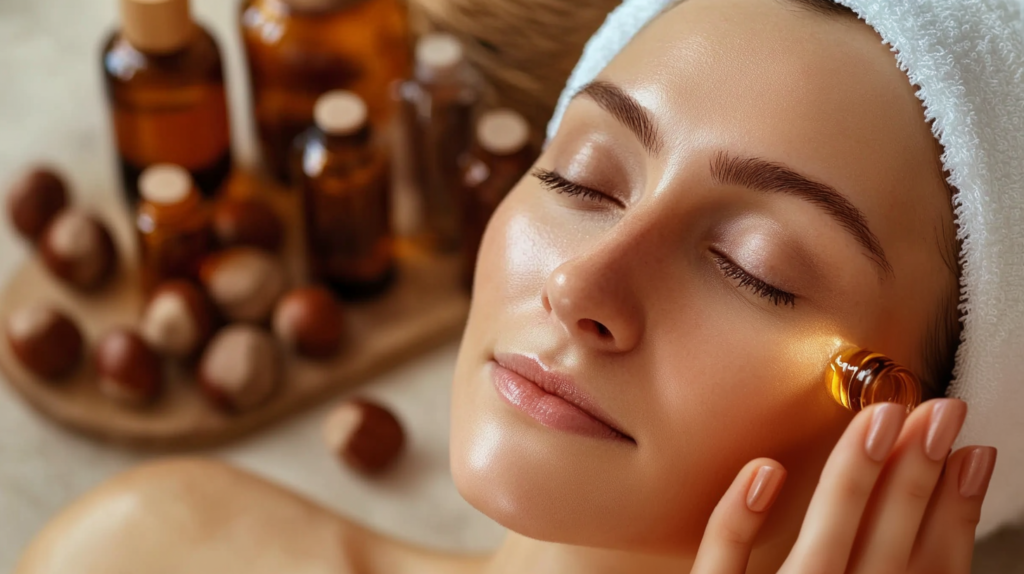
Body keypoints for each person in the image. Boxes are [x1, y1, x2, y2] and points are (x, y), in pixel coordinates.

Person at [15, 0, 1024, 572]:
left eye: (750, 269)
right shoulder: (156, 552)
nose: (582, 281)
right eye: (579, 179)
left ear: (917, 428)